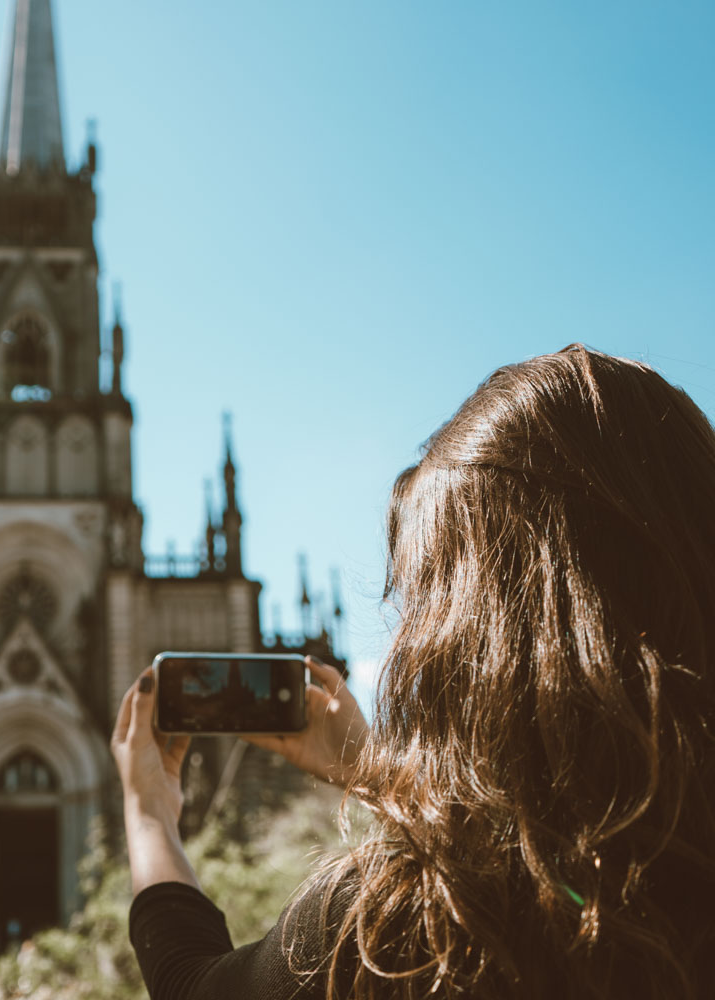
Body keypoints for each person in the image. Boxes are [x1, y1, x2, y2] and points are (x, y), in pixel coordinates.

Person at [112, 346, 715, 999]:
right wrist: (375, 773)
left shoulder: (417, 928)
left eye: (425, 593)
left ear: (473, 631)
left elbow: (194, 987)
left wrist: (149, 810)